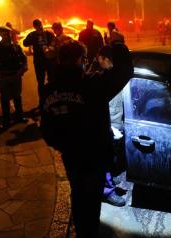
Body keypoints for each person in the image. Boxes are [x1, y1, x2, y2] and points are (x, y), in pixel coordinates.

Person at [40, 40, 133, 237]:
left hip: (71, 157)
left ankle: (82, 231)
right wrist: (117, 45)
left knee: (79, 195)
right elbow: (125, 71)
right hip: (94, 157)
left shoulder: (49, 90)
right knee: (91, 202)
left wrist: (64, 144)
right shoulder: (93, 85)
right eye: (84, 59)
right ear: (80, 60)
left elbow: (46, 130)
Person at [88, 45, 127, 207]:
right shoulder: (101, 78)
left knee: (111, 156)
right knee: (103, 158)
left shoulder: (114, 77)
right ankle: (107, 190)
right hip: (107, 127)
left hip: (116, 126)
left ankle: (112, 176)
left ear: (106, 59)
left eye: (99, 58)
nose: (98, 61)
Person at [0, 26, 28, 128]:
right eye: (4, 33)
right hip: (4, 77)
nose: (6, 35)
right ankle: (6, 120)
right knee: (5, 99)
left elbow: (24, 60)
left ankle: (19, 117)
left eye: (8, 33)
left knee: (17, 97)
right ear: (0, 34)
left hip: (15, 75)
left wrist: (22, 70)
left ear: (10, 34)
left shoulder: (16, 46)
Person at [23, 19, 55, 105]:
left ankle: (52, 99)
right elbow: (25, 43)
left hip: (49, 61)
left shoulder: (48, 34)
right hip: (39, 62)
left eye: (40, 25)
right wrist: (31, 40)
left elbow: (54, 42)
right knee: (40, 82)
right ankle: (42, 101)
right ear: (34, 27)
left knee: (51, 80)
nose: (39, 27)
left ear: (42, 24)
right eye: (37, 26)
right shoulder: (32, 35)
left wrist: (51, 48)